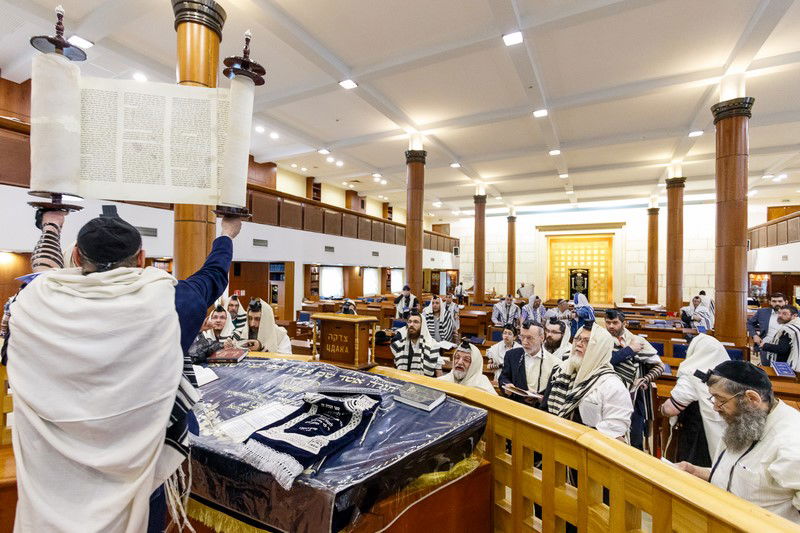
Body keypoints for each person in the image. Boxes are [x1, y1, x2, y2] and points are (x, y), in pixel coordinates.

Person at [5, 208, 241, 532]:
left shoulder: (34, 305)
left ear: (77, 257)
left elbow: (43, 273)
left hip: (55, 472)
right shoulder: (171, 302)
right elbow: (213, 275)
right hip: (137, 462)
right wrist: (226, 234)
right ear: (141, 258)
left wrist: (51, 226)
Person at [677, 361, 800, 524]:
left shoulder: (791, 441)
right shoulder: (745, 420)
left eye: (721, 400)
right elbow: (746, 479)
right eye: (713, 398)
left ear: (752, 398)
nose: (715, 407)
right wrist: (696, 472)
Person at [541, 323, 633, 441]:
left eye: (587, 341)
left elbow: (614, 431)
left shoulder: (612, 385)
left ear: (600, 349)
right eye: (578, 339)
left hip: (590, 447)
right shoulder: (560, 371)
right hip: (553, 441)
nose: (579, 344)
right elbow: (545, 410)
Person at [660, 334, 729, 466]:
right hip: (724, 435)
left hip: (697, 437)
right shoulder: (729, 377)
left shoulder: (691, 375)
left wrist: (662, 408)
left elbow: (670, 409)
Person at [605, 309, 663, 450]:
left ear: (624, 323)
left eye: (615, 323)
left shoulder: (637, 340)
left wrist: (645, 379)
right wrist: (629, 350)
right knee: (611, 438)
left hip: (634, 398)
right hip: (608, 397)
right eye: (608, 322)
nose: (611, 326)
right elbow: (604, 362)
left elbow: (659, 366)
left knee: (635, 438)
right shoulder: (602, 341)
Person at [498, 321, 559, 404]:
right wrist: (507, 386)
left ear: (542, 338)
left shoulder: (555, 363)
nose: (524, 342)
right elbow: (503, 377)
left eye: (529, 338)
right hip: (515, 405)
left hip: (539, 409)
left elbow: (556, 393)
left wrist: (543, 399)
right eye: (522, 337)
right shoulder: (511, 355)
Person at [390, 310, 439, 377]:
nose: (411, 325)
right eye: (409, 322)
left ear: (422, 326)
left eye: (416, 322)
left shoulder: (432, 346)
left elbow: (439, 372)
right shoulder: (399, 345)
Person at [748, 293, 787, 365]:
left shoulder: (794, 313)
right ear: (770, 302)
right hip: (766, 347)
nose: (777, 303)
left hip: (785, 349)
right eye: (774, 301)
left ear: (786, 302)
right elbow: (749, 323)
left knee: (784, 370)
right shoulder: (762, 312)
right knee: (766, 369)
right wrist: (755, 335)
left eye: (780, 301)